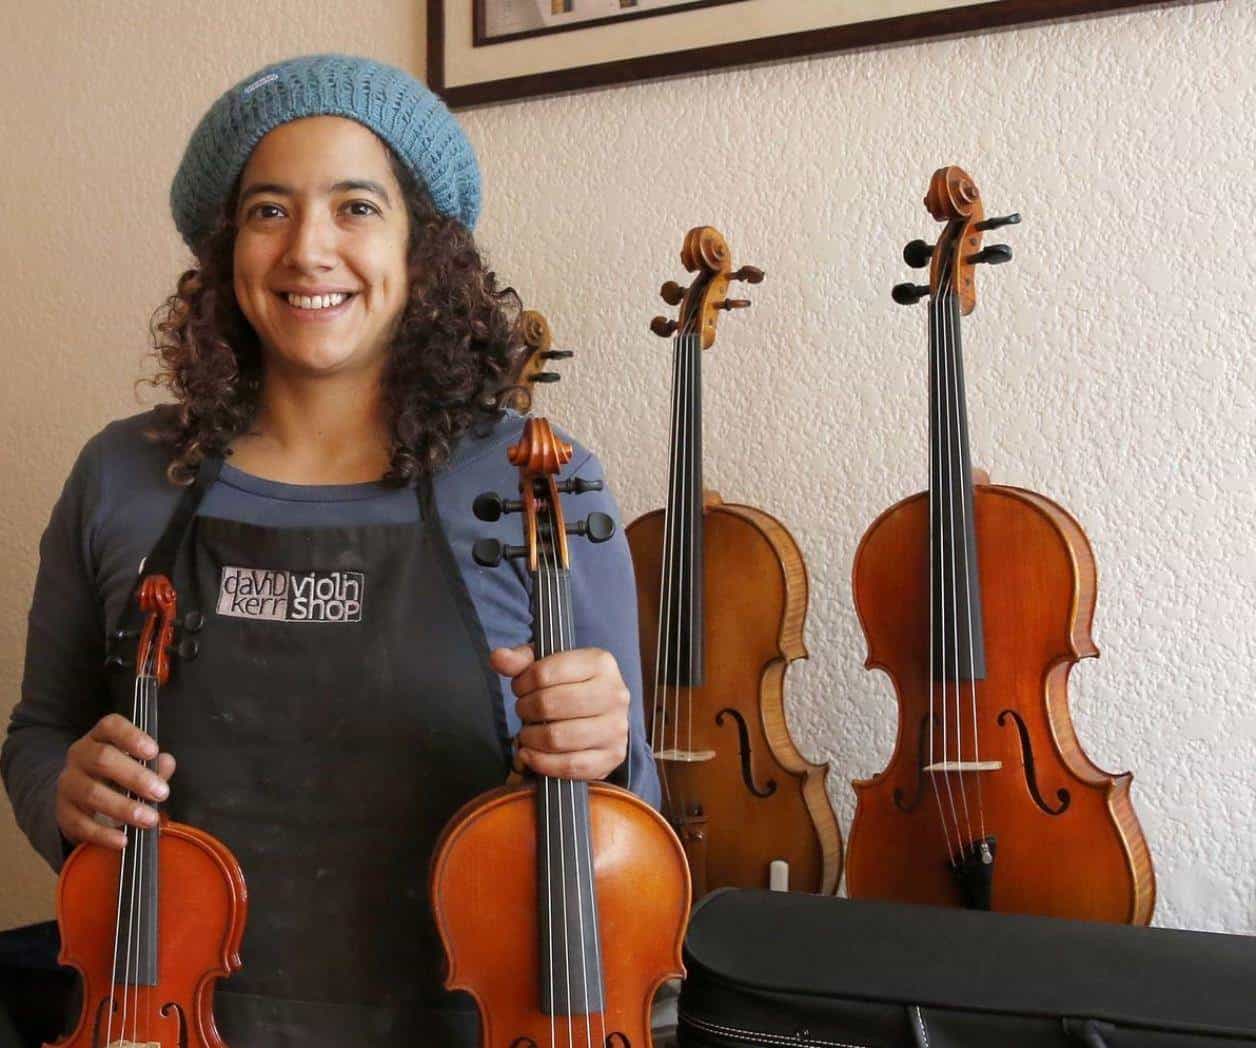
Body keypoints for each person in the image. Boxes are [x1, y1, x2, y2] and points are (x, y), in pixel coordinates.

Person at [1, 53, 659, 1045]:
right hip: (161, 1017)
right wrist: (65, 789)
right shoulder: (123, 473)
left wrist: (599, 748)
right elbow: (40, 732)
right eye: (268, 210)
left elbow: (628, 805)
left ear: (422, 245)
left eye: (356, 206)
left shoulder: (536, 481)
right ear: (228, 247)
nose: (308, 248)